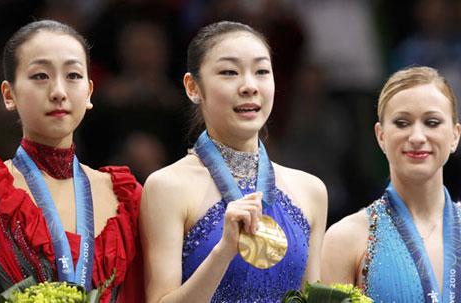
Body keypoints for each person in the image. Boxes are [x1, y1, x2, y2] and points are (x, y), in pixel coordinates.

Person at [140, 21, 327, 303]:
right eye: (229, 72)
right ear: (193, 87)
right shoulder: (167, 187)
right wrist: (223, 251)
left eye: (262, 71)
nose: (250, 86)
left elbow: (311, 297)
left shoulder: (311, 190)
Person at [0, 20, 143, 302]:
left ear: (90, 92)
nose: (58, 91)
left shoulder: (128, 198)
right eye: (40, 76)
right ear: (9, 95)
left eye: (73, 75)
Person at [321, 66, 461, 302]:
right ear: (381, 136)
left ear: (455, 136)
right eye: (402, 123)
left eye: (432, 122)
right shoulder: (346, 239)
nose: (417, 137)